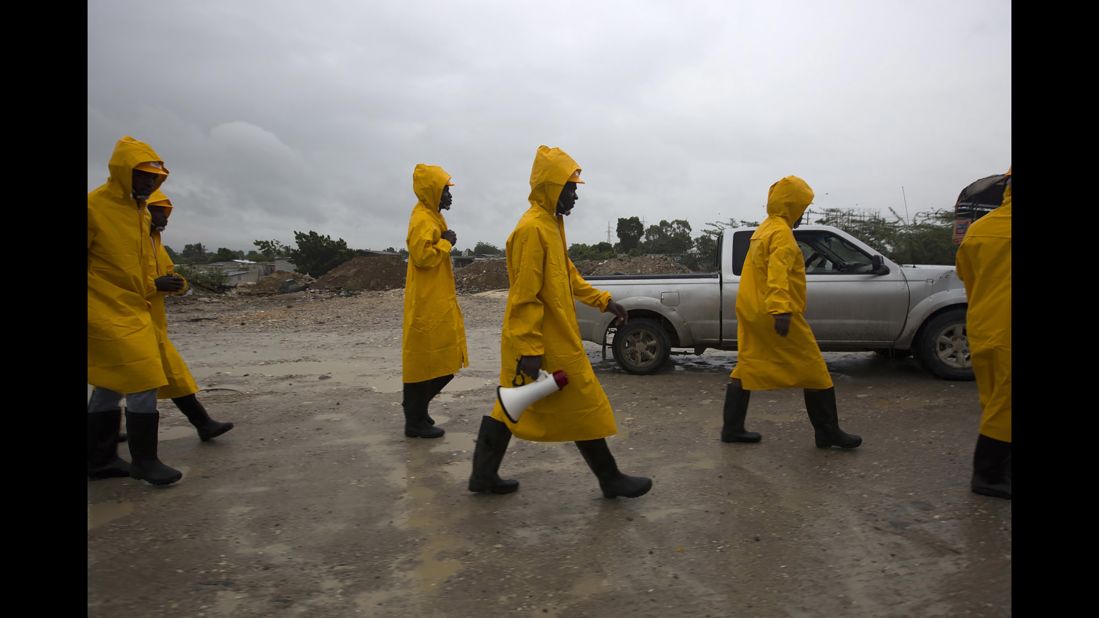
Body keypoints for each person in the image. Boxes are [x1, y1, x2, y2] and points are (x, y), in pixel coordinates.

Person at [468, 145, 651, 499]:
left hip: (551, 336)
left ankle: (483, 475)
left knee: (510, 404)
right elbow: (524, 295)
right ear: (552, 186)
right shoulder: (531, 230)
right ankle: (610, 478)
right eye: (571, 187)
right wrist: (529, 348)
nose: (576, 194)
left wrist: (604, 301)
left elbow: (568, 276)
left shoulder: (551, 226)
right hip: (542, 340)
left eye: (576, 187)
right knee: (577, 399)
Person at [719, 175, 862, 450]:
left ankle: (732, 428)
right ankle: (828, 432)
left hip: (752, 309)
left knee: (747, 364)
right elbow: (777, 273)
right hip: (774, 311)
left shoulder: (764, 228)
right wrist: (782, 310)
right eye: (802, 208)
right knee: (815, 369)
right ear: (792, 206)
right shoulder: (782, 233)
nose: (803, 214)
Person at [88, 136, 181, 486]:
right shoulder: (94, 207)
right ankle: (145, 461)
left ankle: (99, 461)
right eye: (142, 176)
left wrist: (157, 284)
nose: (149, 183)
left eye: (154, 179)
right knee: (144, 377)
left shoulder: (139, 215)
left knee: (110, 384)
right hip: (101, 307)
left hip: (133, 307)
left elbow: (143, 267)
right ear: (122, 172)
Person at [146, 190, 235, 441]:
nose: (164, 220)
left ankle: (102, 438)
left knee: (169, 374)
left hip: (153, 323)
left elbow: (172, 275)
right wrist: (153, 285)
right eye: (159, 214)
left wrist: (178, 285)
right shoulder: (129, 243)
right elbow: (113, 281)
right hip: (126, 320)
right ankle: (112, 447)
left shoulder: (156, 246)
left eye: (166, 215)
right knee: (129, 382)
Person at [954, 168, 1011, 499]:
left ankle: (999, 470)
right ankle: (988, 476)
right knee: (1005, 404)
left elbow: (966, 274)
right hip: (1006, 329)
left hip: (984, 325)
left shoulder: (980, 230)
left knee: (995, 400)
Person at [401, 164, 468, 439]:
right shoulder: (423, 220)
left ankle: (418, 412)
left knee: (441, 361)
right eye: (445, 191)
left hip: (436, 299)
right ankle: (414, 417)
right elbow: (422, 256)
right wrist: (446, 243)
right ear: (432, 192)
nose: (450, 197)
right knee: (430, 363)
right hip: (427, 303)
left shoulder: (433, 217)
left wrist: (444, 239)